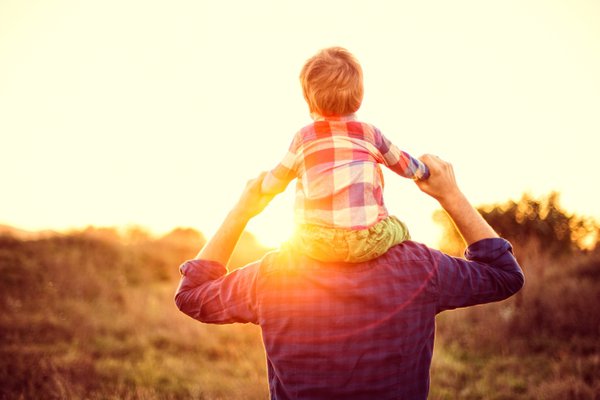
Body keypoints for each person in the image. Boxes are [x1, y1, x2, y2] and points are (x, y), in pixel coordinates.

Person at [175, 155, 524, 399]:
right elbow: (503, 274)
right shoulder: (419, 267)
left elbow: (192, 294)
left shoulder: (273, 275)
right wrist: (451, 194)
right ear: (378, 190)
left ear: (302, 198)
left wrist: (242, 211)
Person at [261, 47, 429, 263]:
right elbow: (407, 167)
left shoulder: (303, 138)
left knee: (291, 240)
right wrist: (425, 170)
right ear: (360, 95)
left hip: (314, 242)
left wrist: (262, 185)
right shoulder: (370, 134)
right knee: (400, 228)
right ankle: (406, 268)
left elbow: (274, 183)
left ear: (308, 98)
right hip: (366, 241)